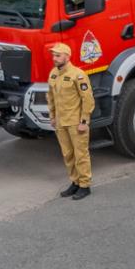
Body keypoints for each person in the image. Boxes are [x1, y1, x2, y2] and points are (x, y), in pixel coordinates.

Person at [47, 43, 96, 201]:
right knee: (67, 154)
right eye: (53, 55)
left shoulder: (78, 75)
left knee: (80, 154)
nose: (54, 58)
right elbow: (51, 97)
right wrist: (53, 116)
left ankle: (84, 185)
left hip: (76, 122)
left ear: (67, 56)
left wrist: (84, 121)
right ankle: (74, 182)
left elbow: (87, 99)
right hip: (61, 122)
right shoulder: (53, 74)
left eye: (58, 55)